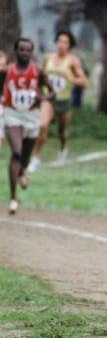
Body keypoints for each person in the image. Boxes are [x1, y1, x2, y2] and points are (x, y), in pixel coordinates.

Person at [2, 38, 53, 214]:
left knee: (25, 154)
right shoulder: (6, 71)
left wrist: (42, 98)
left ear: (32, 53)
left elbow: (52, 91)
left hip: (31, 115)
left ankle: (22, 170)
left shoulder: (38, 71)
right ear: (15, 51)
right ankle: (13, 198)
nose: (24, 53)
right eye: (21, 50)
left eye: (28, 50)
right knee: (16, 150)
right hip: (12, 113)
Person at [29, 31, 87, 169]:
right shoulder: (48, 57)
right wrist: (36, 93)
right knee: (43, 125)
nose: (61, 44)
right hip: (48, 99)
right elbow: (41, 77)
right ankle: (35, 158)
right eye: (59, 41)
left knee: (62, 131)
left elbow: (83, 81)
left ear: (69, 45)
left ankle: (63, 150)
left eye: (65, 42)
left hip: (64, 100)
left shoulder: (73, 60)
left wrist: (70, 78)